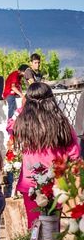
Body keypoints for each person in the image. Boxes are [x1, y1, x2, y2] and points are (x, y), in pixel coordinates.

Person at [13, 82, 80, 228]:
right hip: (56, 183)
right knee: (52, 227)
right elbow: (74, 153)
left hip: (30, 184)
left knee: (35, 227)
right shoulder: (62, 123)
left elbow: (9, 126)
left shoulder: (22, 124)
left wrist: (21, 108)